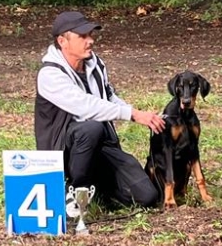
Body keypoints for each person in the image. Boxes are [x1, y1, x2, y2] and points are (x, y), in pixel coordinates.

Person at [34, 11, 166, 209]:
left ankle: (99, 190)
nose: (90, 41)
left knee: (147, 196)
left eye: (91, 35)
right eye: (83, 36)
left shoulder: (95, 64)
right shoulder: (49, 74)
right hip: (63, 151)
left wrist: (143, 115)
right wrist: (133, 114)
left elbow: (108, 96)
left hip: (101, 145)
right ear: (63, 41)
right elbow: (85, 106)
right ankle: (74, 192)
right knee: (90, 128)